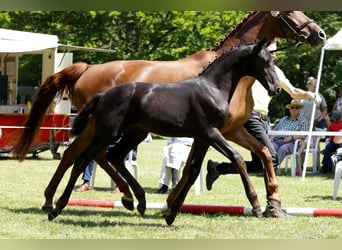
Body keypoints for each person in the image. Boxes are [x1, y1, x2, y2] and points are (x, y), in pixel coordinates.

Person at [205, 39, 321, 216]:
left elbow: (293, 91)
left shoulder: (276, 71)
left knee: (260, 164)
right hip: (250, 117)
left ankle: (219, 168)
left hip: (264, 119)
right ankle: (273, 206)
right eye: (270, 51)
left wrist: (310, 95)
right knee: (271, 157)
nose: (273, 55)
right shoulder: (250, 67)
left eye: (275, 52)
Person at [75, 133, 152, 192]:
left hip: (127, 151)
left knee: (121, 153)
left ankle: (119, 185)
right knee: (90, 152)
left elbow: (148, 139)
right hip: (108, 148)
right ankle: (86, 182)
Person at [270, 99, 308, 174]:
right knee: (271, 147)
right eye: (292, 107)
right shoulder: (284, 119)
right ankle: (267, 168)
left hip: (292, 143)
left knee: (283, 149)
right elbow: (275, 130)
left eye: (296, 108)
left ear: (300, 109)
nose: (294, 109)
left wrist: (292, 137)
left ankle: (272, 168)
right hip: (278, 140)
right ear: (289, 109)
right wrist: (271, 138)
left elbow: (303, 135)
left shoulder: (303, 120)